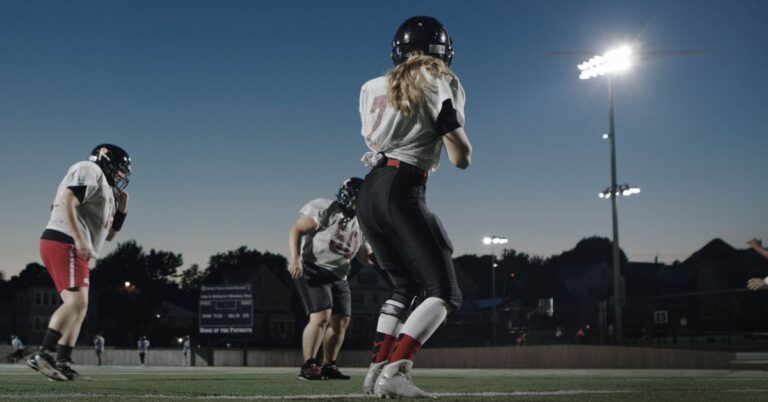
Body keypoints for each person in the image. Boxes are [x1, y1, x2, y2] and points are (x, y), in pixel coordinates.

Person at [355, 16, 472, 398]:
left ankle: (375, 372)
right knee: (444, 293)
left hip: (370, 190)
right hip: (402, 187)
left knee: (404, 287)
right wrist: (461, 146)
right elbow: (459, 154)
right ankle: (396, 370)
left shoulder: (371, 86)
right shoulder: (440, 80)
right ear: (443, 53)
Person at [26, 144, 132, 382]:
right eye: (120, 169)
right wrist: (78, 237)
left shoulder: (106, 190)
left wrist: (122, 211)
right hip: (65, 240)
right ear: (106, 159)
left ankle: (62, 362)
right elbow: (67, 202)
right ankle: (43, 354)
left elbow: (111, 235)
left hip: (75, 246)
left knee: (80, 307)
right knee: (77, 301)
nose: (121, 176)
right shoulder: (89, 169)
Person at [288, 178, 373, 381]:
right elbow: (296, 230)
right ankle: (308, 365)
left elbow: (365, 256)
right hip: (312, 267)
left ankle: (329, 365)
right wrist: (296, 259)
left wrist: (387, 259)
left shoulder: (362, 223)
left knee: (341, 322)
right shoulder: (325, 207)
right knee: (321, 317)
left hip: (339, 274)